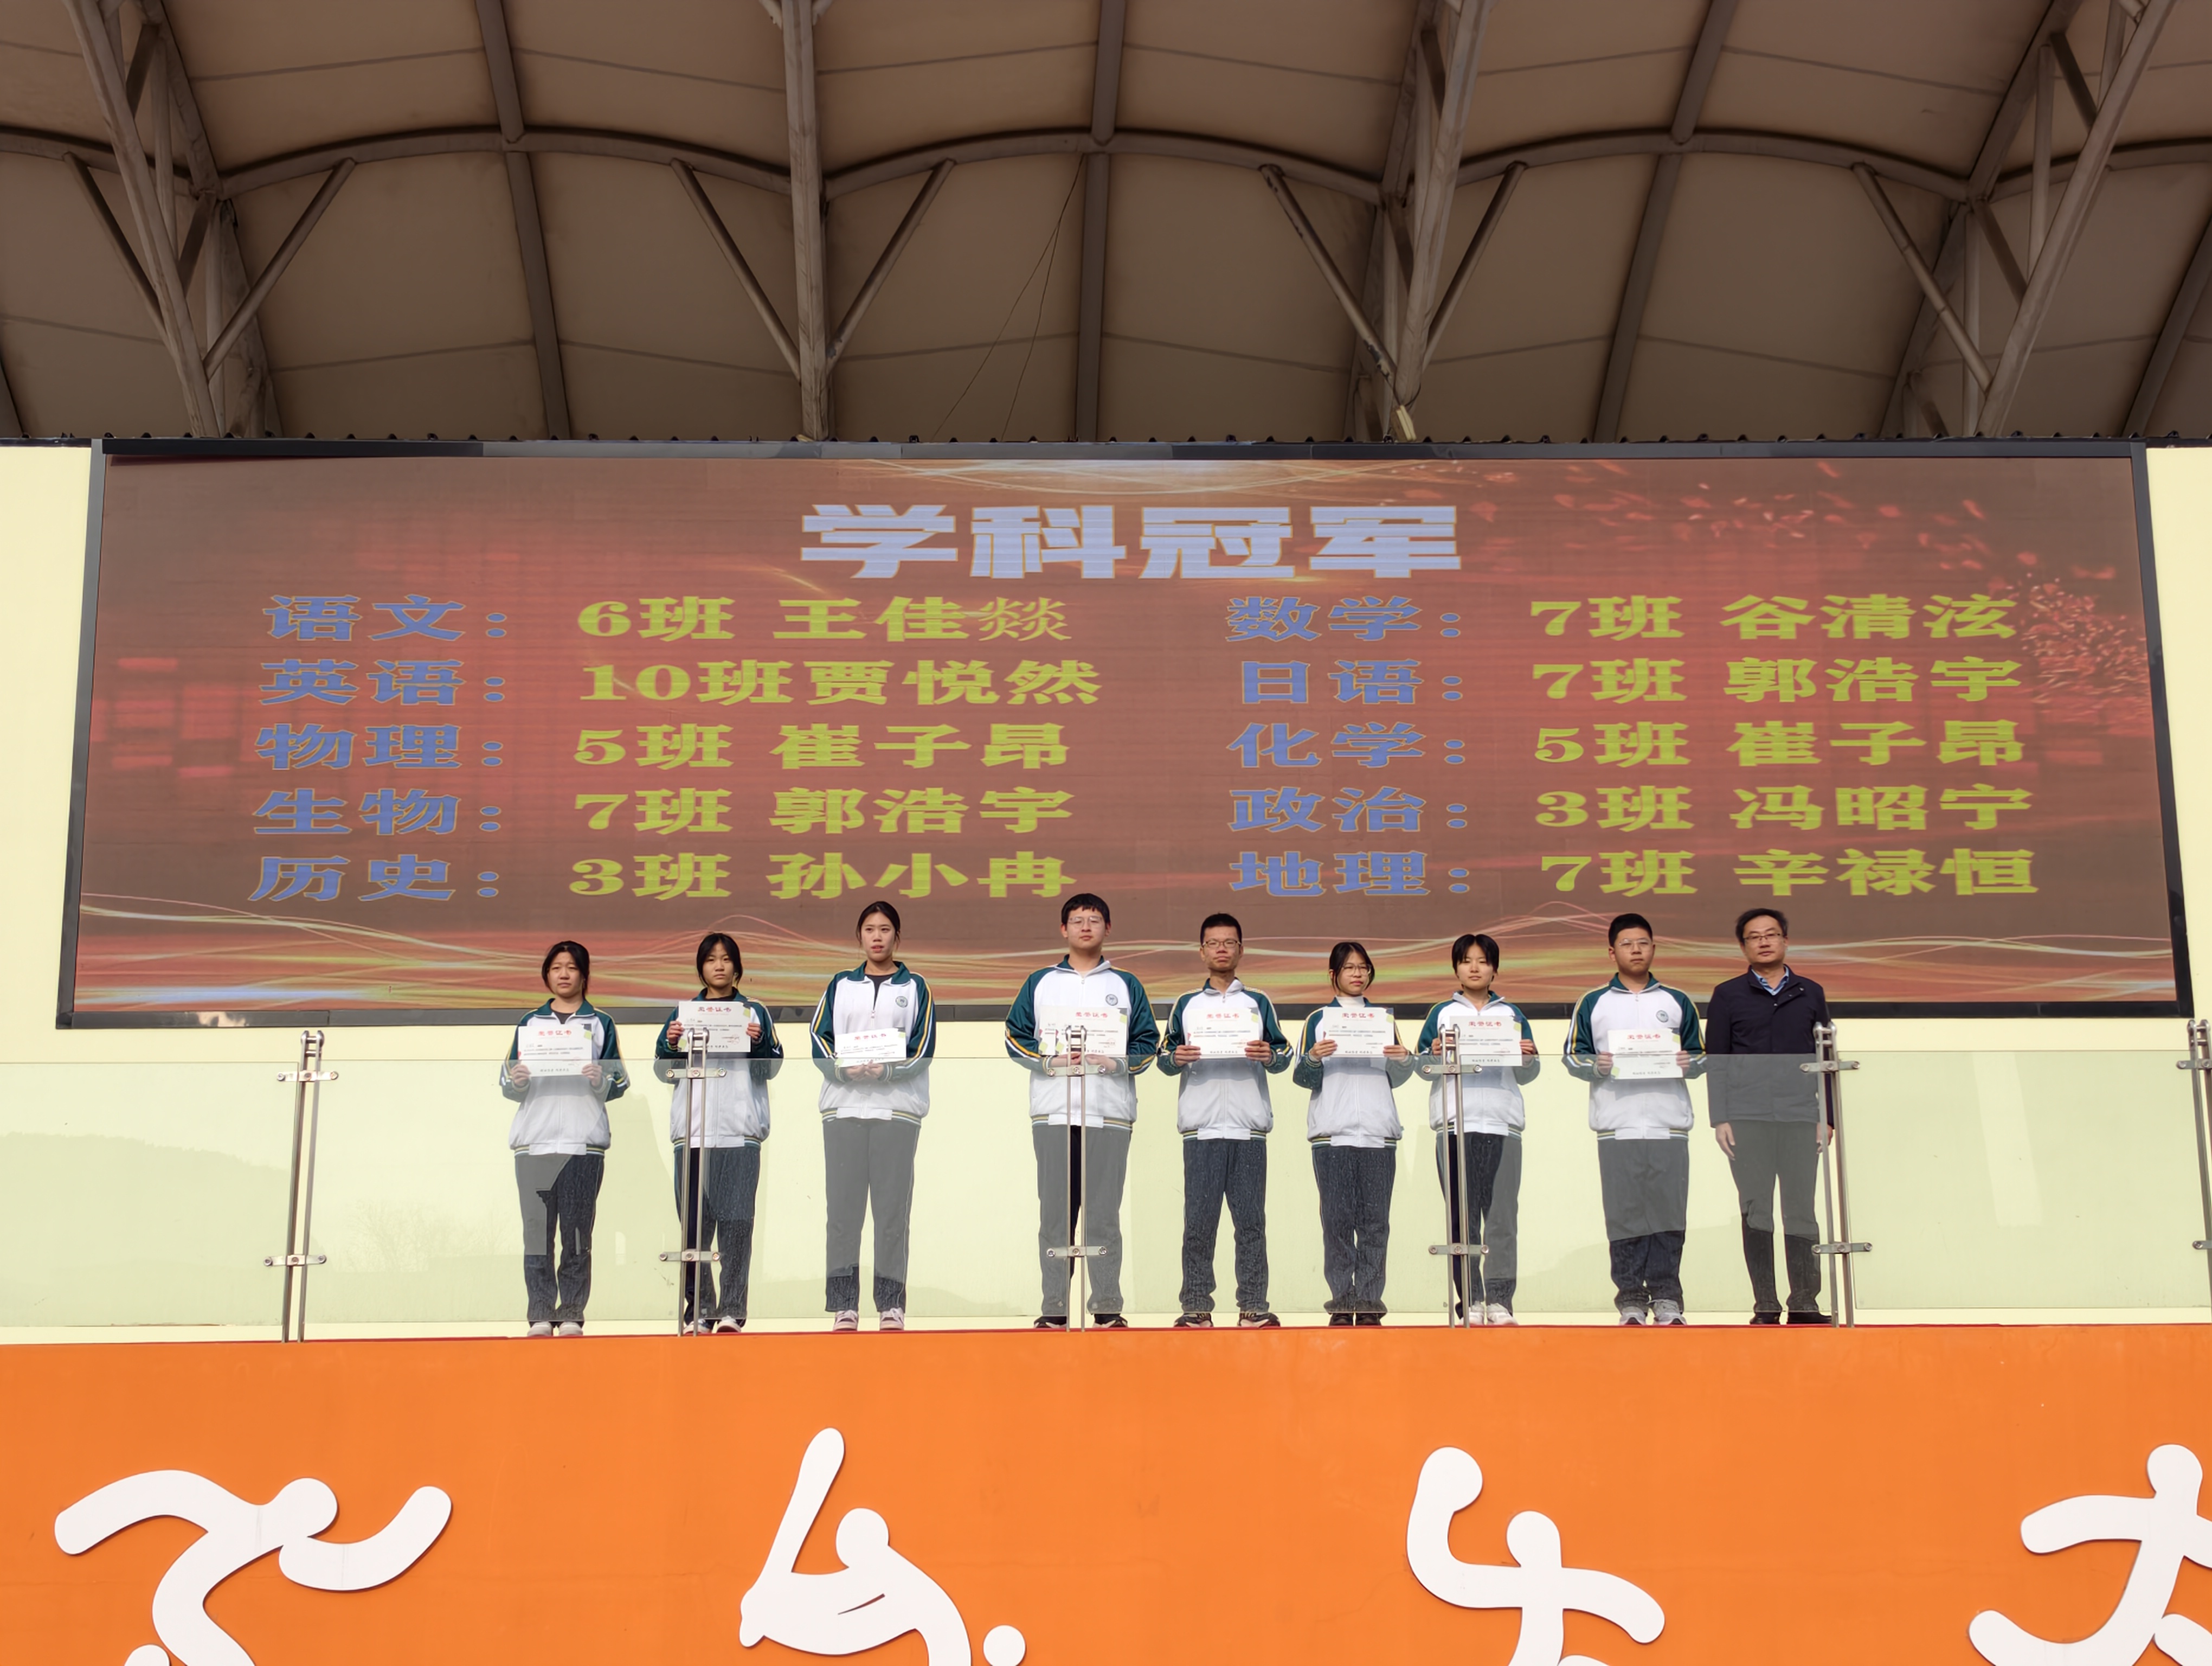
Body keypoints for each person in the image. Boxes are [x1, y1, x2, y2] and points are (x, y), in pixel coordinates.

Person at [1004, 892, 1159, 1329]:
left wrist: (1116, 1062)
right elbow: (1015, 1036)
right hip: (1054, 1113)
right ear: (1063, 929)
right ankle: (1055, 1308)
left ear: (1108, 928)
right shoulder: (1040, 982)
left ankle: (1107, 1307)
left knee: (1104, 1216)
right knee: (1056, 1217)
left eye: (1094, 919)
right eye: (1077, 920)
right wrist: (1050, 1061)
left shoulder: (1126, 984)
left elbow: (1148, 1043)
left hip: (1110, 1113)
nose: (1085, 926)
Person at [1564, 914, 1705, 1327]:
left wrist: (1690, 1062)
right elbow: (1573, 1056)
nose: (1636, 950)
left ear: (1654, 948)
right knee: (1624, 1214)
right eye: (1627, 944)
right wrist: (1598, 1065)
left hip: (1669, 1124)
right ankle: (1630, 1299)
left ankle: (1667, 1297)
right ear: (1612, 952)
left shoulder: (1677, 1000)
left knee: (1668, 1213)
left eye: (1643, 943)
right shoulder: (1594, 1002)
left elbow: (1702, 1055)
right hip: (1617, 1126)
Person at [1157, 912, 1293, 1329]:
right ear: (1202, 951)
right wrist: (1176, 1058)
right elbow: (1163, 1058)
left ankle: (1253, 1306)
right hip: (1201, 1128)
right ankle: (1196, 1307)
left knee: (1251, 1223)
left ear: (1241, 950)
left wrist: (1269, 1056)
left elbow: (1284, 1055)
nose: (1221, 949)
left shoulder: (1258, 1002)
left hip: (1248, 1128)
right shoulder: (1186, 1004)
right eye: (1214, 943)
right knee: (1199, 1224)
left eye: (1229, 943)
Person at [808, 900, 937, 1334]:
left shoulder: (916, 986)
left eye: (885, 929)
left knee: (892, 1212)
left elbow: (923, 1046)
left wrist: (887, 1071)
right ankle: (844, 1305)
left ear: (897, 937)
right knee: (843, 1213)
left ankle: (891, 1304)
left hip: (896, 1111)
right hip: (843, 1109)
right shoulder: (840, 984)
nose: (877, 937)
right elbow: (819, 1039)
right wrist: (844, 1070)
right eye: (869, 929)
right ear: (859, 937)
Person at [1706, 907, 1833, 1325]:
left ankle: (1804, 1302)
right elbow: (1717, 1060)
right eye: (1754, 936)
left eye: (1771, 934)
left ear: (1785, 941)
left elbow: (1827, 1058)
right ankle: (1765, 1303)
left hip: (1800, 1117)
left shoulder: (1810, 992)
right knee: (1756, 1210)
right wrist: (1720, 1118)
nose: (1764, 941)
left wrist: (1828, 1117)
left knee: (1801, 1210)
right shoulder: (1728, 995)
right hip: (1747, 1119)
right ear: (1743, 946)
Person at [499, 940, 629, 1337]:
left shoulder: (601, 1023)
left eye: (572, 967)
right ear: (547, 975)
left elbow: (620, 1082)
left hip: (582, 1143)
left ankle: (571, 1312)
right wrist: (518, 1080)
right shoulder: (529, 1023)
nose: (564, 974)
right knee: (537, 1234)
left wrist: (600, 1080)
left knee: (576, 1235)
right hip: (534, 1143)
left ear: (584, 975)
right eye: (556, 967)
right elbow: (506, 1082)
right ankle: (540, 1313)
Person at [654, 931, 781, 1333]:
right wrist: (671, 1045)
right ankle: (701, 1309)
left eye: (726, 959)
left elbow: (772, 1067)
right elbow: (662, 1071)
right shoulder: (683, 1015)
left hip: (739, 1133)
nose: (719, 966)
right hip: (692, 1133)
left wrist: (759, 1045)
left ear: (737, 967)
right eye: (711, 960)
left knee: (737, 1225)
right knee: (694, 1228)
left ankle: (731, 1310)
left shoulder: (755, 1013)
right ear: (701, 968)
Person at [1415, 933, 1541, 1326]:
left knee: (1502, 1218)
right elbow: (1421, 1067)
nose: (1474, 968)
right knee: (1463, 1219)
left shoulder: (1512, 1015)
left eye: (1483, 961)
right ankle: (1470, 1300)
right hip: (1456, 1125)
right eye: (1467, 961)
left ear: (1494, 969)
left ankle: (1500, 1301)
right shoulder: (1441, 1014)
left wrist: (1527, 1057)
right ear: (1456, 968)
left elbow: (1530, 1072)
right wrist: (1433, 1054)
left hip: (1503, 1124)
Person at [1294, 940, 1414, 1326]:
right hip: (1333, 1136)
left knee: (1376, 1224)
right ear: (1334, 975)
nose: (1358, 974)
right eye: (1349, 968)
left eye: (1363, 967)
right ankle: (1343, 1305)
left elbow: (1399, 1076)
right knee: (1337, 1224)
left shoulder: (1383, 1020)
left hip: (1379, 1134)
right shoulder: (1318, 1020)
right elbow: (1302, 1076)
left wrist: (1404, 1060)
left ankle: (1370, 1304)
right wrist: (1314, 1058)